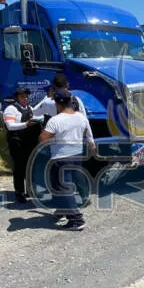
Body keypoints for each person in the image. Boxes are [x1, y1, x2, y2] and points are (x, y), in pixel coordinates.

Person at [39, 89, 95, 231]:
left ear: (58, 104)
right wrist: (91, 147)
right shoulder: (81, 117)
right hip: (77, 155)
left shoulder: (55, 120)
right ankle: (62, 210)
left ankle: (76, 219)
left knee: (62, 187)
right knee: (61, 185)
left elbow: (43, 138)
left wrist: (53, 139)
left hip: (60, 157)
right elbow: (89, 137)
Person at [3, 87, 42, 204]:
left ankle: (30, 190)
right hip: (17, 142)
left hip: (29, 142)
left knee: (31, 167)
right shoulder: (11, 109)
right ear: (16, 98)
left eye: (26, 96)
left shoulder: (30, 108)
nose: (25, 98)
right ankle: (19, 193)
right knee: (19, 168)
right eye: (22, 96)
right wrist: (26, 124)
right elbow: (10, 126)